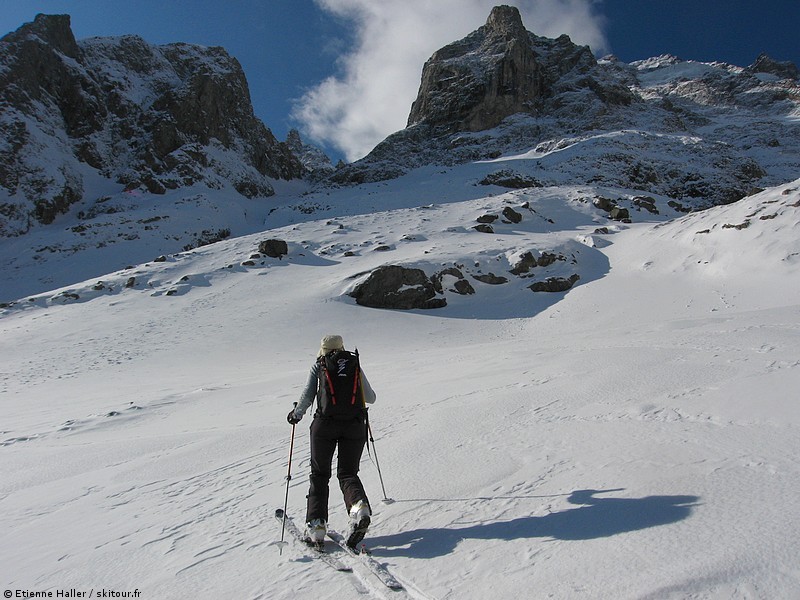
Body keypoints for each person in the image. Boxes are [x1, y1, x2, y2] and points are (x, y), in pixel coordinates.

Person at [287, 334, 377, 548]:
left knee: (319, 475)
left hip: (324, 426)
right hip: (355, 425)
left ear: (323, 350)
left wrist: (295, 414)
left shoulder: (319, 366)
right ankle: (359, 506)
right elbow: (371, 397)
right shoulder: (354, 364)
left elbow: (308, 396)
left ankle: (317, 526)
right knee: (347, 473)